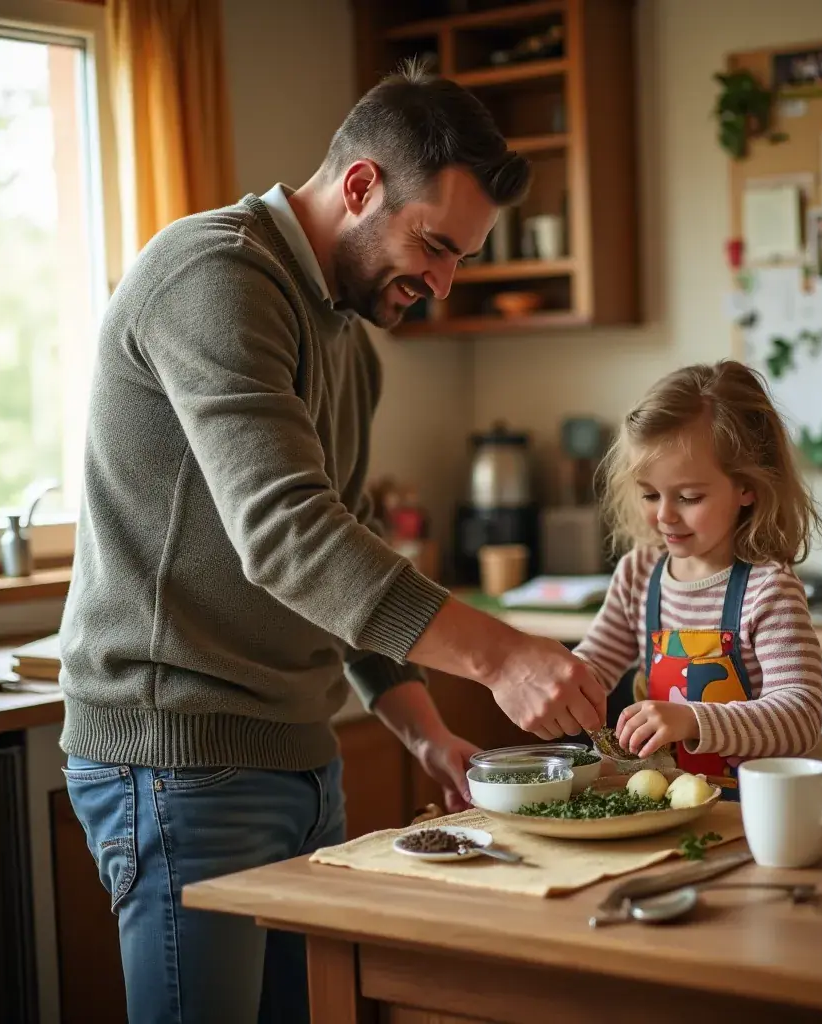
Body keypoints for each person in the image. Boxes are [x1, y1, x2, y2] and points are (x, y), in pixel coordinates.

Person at [59, 63, 605, 1024]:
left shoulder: (349, 340)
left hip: (300, 759)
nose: (442, 284)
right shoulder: (216, 277)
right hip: (179, 757)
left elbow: (343, 546)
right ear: (360, 186)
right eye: (434, 245)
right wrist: (502, 657)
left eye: (461, 260)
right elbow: (288, 537)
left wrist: (422, 730)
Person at [571, 361, 822, 797]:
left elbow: (800, 716)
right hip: (680, 801)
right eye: (649, 494)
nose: (664, 515)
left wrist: (692, 719)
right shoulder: (639, 575)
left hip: (771, 807)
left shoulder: (768, 590)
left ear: (747, 487)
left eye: (689, 497)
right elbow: (594, 664)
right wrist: (563, 679)